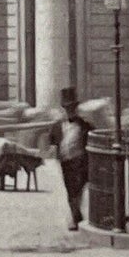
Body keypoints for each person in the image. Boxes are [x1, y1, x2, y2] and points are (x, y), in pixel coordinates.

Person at [48, 87, 92, 231]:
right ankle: (76, 215)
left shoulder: (84, 125)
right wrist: (54, 152)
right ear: (63, 109)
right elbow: (52, 141)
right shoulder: (57, 125)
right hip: (65, 162)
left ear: (76, 108)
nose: (69, 110)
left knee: (77, 189)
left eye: (72, 107)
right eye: (67, 108)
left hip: (80, 161)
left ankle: (74, 218)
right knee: (70, 191)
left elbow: (92, 138)